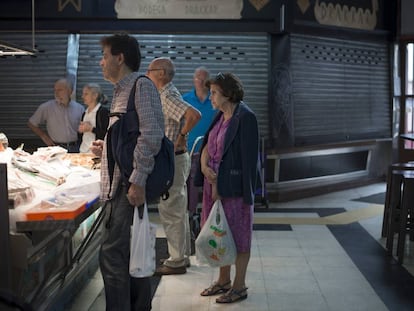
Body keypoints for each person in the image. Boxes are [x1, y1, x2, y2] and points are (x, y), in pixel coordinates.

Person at [90, 33, 164, 311]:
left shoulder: (141, 86)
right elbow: (129, 138)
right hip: (118, 187)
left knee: (112, 256)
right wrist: (105, 146)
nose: (101, 63)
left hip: (126, 187)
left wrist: (138, 180)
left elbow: (152, 134)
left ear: (119, 58)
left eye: (105, 56)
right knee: (128, 254)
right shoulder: (121, 90)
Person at [194, 72, 260, 304]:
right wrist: (203, 166)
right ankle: (223, 280)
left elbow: (250, 161)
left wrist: (225, 185)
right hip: (213, 186)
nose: (209, 97)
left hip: (233, 189)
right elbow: (206, 144)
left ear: (228, 94)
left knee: (239, 236)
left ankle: (239, 286)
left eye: (213, 93)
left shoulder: (245, 117)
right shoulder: (219, 116)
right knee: (219, 234)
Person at [146, 57, 201, 275]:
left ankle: (177, 260)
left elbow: (193, 115)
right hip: (176, 159)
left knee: (171, 209)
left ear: (160, 73)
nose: (147, 75)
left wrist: (181, 136)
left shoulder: (167, 94)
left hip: (173, 160)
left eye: (149, 71)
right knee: (177, 208)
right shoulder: (169, 93)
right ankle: (182, 255)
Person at [27, 78, 85, 153]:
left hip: (76, 148)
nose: (56, 93)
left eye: (60, 90)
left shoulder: (79, 108)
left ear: (70, 91)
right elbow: (31, 123)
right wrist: (44, 136)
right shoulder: (47, 107)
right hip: (55, 148)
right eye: (55, 90)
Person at [182, 66, 216, 152]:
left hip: (212, 149)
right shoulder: (184, 100)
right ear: (194, 80)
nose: (200, 82)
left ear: (209, 82)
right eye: (198, 79)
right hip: (188, 149)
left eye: (203, 79)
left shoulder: (216, 100)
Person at [78, 83, 109, 153]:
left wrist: (91, 129)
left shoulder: (103, 112)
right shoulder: (85, 113)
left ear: (95, 96)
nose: (82, 96)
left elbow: (107, 134)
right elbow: (82, 135)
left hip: (96, 153)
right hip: (83, 150)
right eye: (83, 94)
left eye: (86, 94)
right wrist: (81, 130)